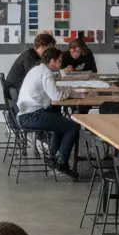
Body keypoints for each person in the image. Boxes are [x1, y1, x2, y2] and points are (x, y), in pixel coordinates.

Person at [15, 46, 81, 179]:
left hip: (26, 113)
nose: (61, 63)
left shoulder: (38, 69)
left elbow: (52, 93)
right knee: (73, 126)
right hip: (31, 116)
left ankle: (52, 158)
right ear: (52, 61)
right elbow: (56, 96)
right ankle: (62, 163)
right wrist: (70, 91)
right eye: (59, 60)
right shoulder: (46, 73)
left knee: (59, 119)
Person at [4, 32, 55, 98]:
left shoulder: (36, 56)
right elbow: (35, 78)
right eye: (49, 48)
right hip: (15, 92)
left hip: (19, 90)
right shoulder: (30, 55)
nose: (50, 52)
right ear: (43, 46)